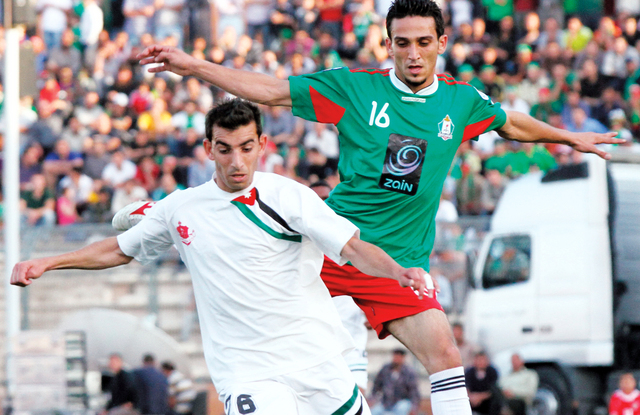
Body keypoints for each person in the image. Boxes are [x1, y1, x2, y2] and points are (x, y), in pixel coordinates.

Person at [136, 2, 622, 413]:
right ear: (387, 44)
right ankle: (160, 219)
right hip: (332, 250)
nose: (413, 53)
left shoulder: (460, 101)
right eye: (402, 43)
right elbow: (273, 91)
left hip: (399, 266)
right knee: (280, 348)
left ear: (442, 43)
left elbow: (511, 123)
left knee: (445, 353)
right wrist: (193, 66)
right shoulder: (355, 87)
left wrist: (569, 138)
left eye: (423, 42)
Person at [12, 99, 431, 415]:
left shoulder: (290, 196)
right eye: (225, 149)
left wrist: (399, 272)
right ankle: (147, 214)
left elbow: (352, 247)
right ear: (209, 149)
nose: (237, 161)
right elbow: (118, 249)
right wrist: (48, 262)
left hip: (315, 357)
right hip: (246, 370)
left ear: (262, 144)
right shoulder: (182, 208)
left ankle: (145, 212)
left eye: (246, 147)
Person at [369, 348, 421, 415]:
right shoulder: (385, 369)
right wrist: (372, 399)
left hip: (402, 401)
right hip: (385, 402)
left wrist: (414, 407)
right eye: (395, 356)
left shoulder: (409, 372)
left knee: (401, 408)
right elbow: (376, 386)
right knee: (374, 411)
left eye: (399, 356)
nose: (397, 359)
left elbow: (414, 392)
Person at [465, 351, 501, 415]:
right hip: (473, 401)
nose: (481, 362)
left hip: (488, 401)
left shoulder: (492, 371)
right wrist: (471, 397)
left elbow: (493, 389)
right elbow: (466, 388)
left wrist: (480, 397)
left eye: (483, 360)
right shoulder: (469, 373)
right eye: (479, 360)